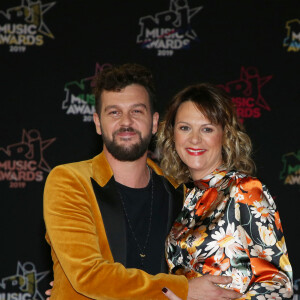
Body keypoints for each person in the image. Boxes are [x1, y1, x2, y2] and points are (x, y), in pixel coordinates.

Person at [43, 64, 242, 299]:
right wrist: (184, 289)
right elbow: (88, 276)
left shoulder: (179, 193)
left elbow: (218, 277)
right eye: (114, 112)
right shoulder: (70, 181)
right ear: (97, 122)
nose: (126, 122)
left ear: (154, 121)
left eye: (137, 111)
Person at [156, 83, 293, 299]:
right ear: (172, 134)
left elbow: (278, 285)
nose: (194, 139)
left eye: (207, 129)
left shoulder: (244, 190)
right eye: (184, 127)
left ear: (225, 134)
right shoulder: (184, 198)